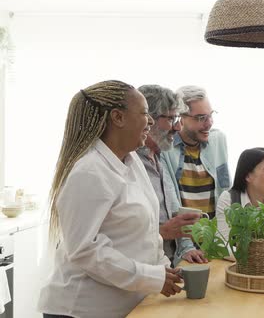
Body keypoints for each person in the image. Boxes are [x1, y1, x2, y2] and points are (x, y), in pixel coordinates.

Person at [38, 81, 182, 318]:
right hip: (82, 308)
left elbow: (144, 233)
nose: (151, 121)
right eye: (145, 113)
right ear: (117, 117)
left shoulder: (131, 161)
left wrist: (164, 269)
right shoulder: (89, 171)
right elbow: (85, 250)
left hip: (125, 304)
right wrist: (150, 276)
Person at [137, 84, 207, 265]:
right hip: (141, 270)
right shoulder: (128, 164)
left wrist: (187, 248)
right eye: (171, 118)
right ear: (148, 119)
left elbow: (174, 218)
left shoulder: (160, 159)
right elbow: (118, 236)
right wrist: (163, 232)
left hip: (165, 266)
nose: (177, 127)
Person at [163, 85, 231, 219]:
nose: (209, 123)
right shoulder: (165, 149)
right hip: (184, 235)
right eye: (201, 118)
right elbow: (171, 203)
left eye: (210, 115)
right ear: (180, 117)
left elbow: (226, 190)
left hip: (216, 236)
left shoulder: (218, 140)